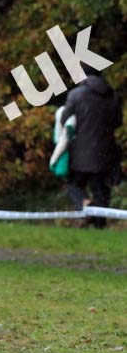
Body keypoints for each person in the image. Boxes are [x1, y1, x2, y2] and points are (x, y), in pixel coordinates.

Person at [61, 64, 122, 229]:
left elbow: (64, 120)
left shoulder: (76, 95)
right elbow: (118, 122)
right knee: (101, 188)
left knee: (73, 184)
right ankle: (99, 224)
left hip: (81, 151)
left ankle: (84, 204)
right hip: (107, 151)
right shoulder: (113, 96)